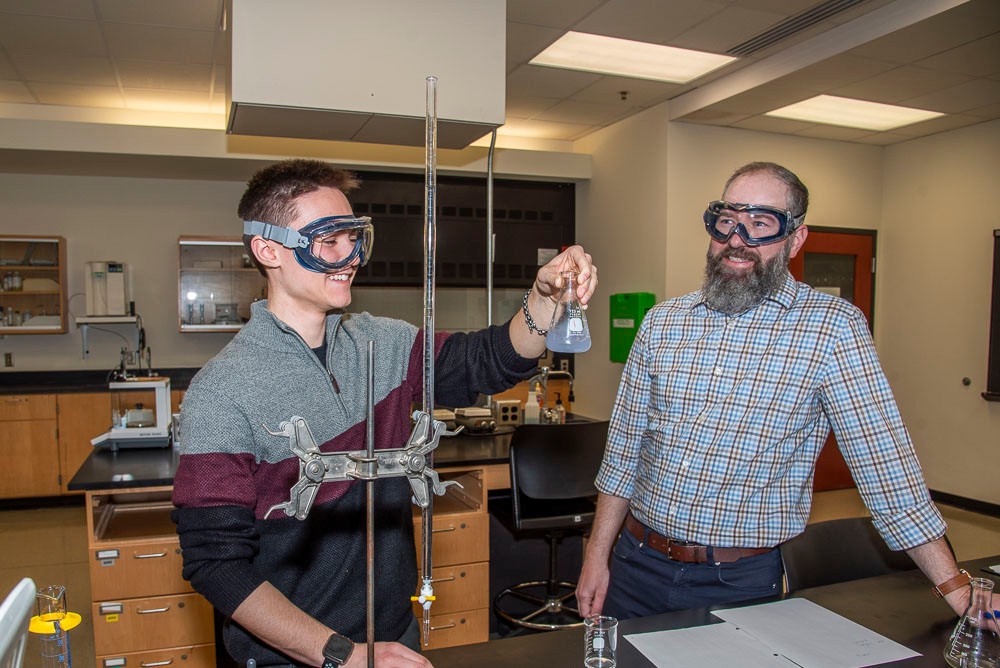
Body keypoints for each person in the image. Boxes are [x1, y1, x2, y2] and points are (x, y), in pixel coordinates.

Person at [172, 159, 597, 668]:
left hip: (392, 640)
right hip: (294, 656)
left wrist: (543, 300)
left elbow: (488, 360)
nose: (349, 256)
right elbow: (216, 565)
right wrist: (339, 654)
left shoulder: (384, 343)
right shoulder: (221, 390)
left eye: (354, 239)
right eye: (329, 241)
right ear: (269, 249)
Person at [576, 161, 971, 622]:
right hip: (633, 564)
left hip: (737, 583)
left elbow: (887, 472)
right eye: (726, 221)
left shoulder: (831, 329)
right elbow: (623, 454)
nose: (737, 239)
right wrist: (595, 556)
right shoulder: (664, 322)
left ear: (796, 239)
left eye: (761, 222)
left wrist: (957, 590)